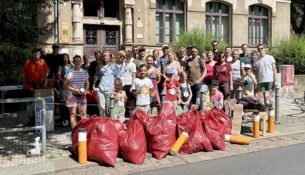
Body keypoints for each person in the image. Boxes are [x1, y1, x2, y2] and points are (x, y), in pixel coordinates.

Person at [63, 55, 89, 129]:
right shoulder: (70, 72)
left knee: (83, 114)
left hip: (82, 95)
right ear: (73, 62)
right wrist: (75, 90)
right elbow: (64, 85)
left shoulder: (85, 72)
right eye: (76, 61)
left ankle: (83, 131)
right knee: (73, 114)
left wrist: (85, 91)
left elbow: (87, 84)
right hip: (72, 95)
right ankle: (75, 131)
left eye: (79, 61)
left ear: (81, 62)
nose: (77, 62)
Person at [94, 50, 118, 117]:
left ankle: (110, 122)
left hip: (110, 90)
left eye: (106, 55)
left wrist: (115, 88)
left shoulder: (114, 66)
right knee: (102, 108)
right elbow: (96, 77)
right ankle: (103, 123)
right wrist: (93, 86)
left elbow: (117, 78)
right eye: (104, 55)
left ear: (110, 57)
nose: (105, 57)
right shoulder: (99, 66)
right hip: (100, 89)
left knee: (110, 108)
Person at [120, 51, 137, 115]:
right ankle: (121, 113)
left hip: (129, 83)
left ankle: (131, 113)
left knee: (131, 100)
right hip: (122, 83)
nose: (128, 57)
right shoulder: (122, 63)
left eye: (129, 56)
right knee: (122, 99)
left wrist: (133, 85)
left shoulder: (133, 65)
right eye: (127, 56)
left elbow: (133, 75)